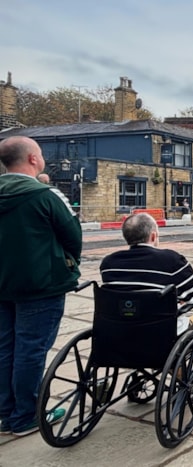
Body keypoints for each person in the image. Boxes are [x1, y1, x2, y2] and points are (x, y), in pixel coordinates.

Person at [0, 136, 81, 436]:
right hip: (40, 285)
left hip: (2, 285)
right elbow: (73, 236)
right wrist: (67, 264)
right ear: (33, 159)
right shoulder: (46, 194)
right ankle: (25, 417)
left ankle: (5, 412)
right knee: (31, 351)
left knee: (5, 348)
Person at [100, 213, 193, 345]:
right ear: (153, 236)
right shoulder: (171, 261)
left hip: (119, 335)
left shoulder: (108, 264)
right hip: (160, 338)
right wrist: (177, 300)